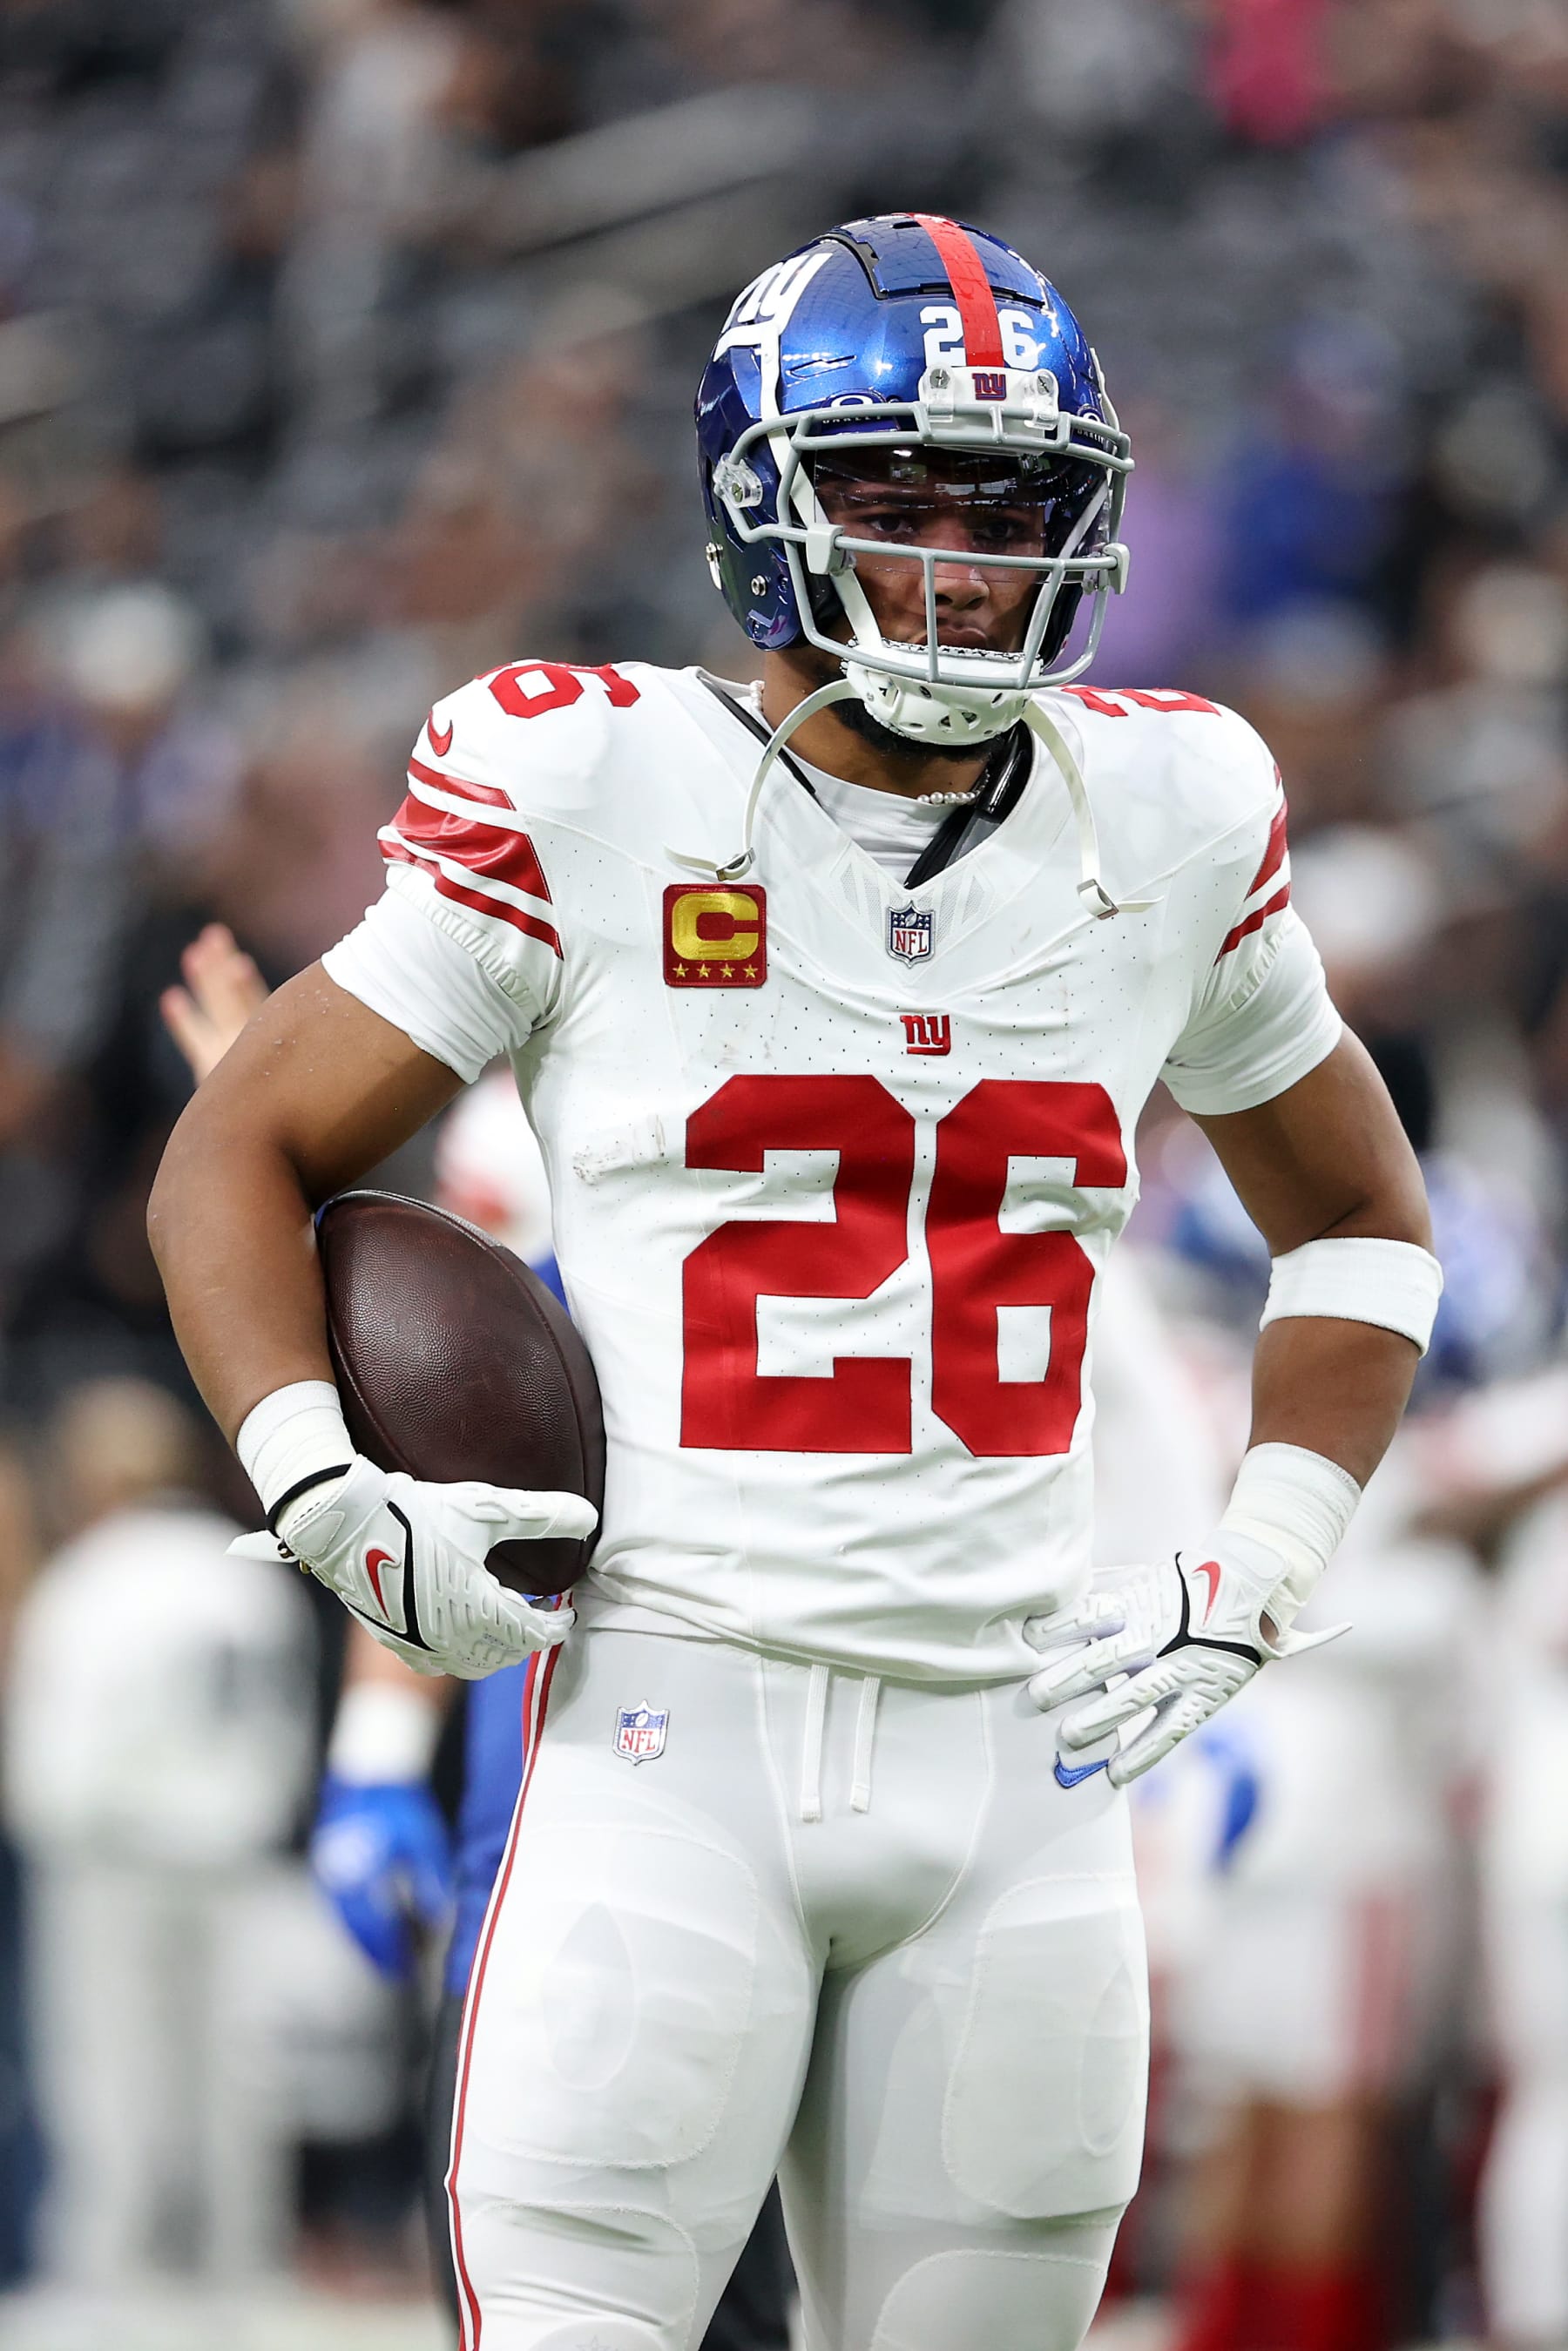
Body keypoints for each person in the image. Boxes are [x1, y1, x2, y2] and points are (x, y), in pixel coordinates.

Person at [148, 214, 1441, 2351]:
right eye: (898, 498)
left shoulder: (1177, 809)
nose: (961, 559)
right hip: (678, 1731)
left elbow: (1367, 1225)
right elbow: (238, 1148)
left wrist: (1260, 1575)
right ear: (767, 507)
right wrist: (330, 1500)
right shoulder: (591, 783)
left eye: (1009, 506)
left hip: (1024, 1770)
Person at [162, 925, 796, 2350]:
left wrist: (280, 1183)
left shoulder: (642, 1304)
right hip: (667, 1865)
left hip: (609, 1883)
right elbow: (448, 1511)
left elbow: (445, 1468)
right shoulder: (672, 1283)